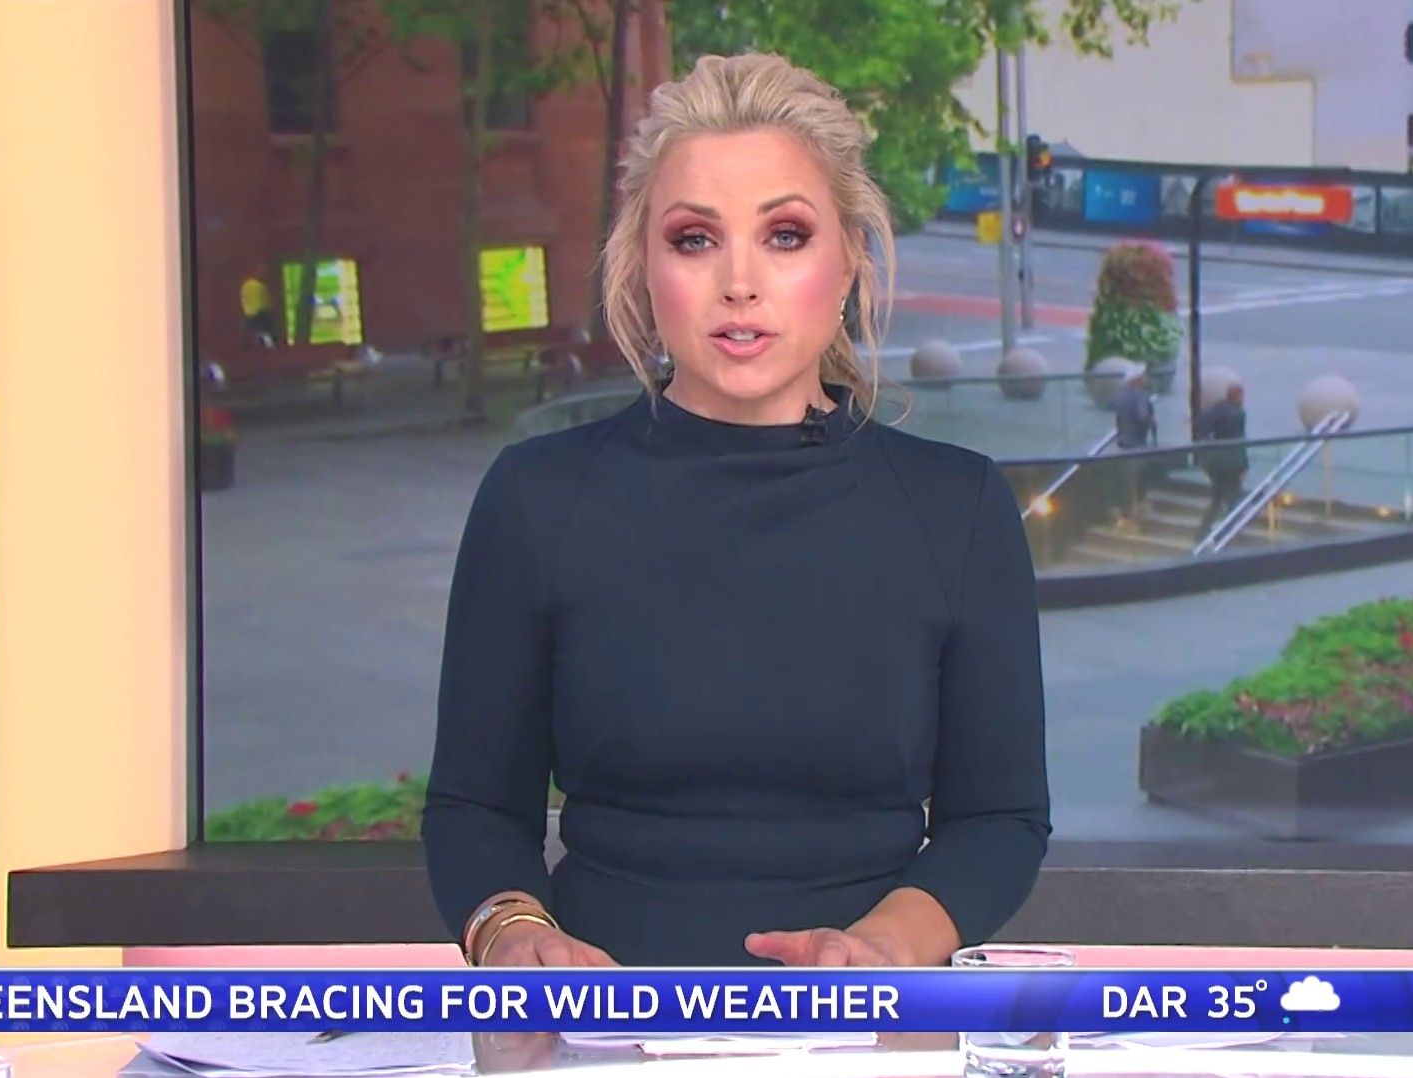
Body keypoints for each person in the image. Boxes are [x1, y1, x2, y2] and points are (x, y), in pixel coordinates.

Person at [421, 53, 1050, 969]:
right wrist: (515, 936)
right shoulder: (536, 499)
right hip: (604, 1022)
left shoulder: (959, 508)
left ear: (849, 262)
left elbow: (999, 820)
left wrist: (880, 949)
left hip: (862, 1021)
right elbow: (474, 809)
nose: (739, 282)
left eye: (785, 235)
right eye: (694, 239)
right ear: (642, 269)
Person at [1194, 383, 1249, 539]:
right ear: (1238, 396)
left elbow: (1201, 426)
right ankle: (1229, 531)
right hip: (1231, 462)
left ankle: (1204, 531)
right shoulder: (1238, 414)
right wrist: (1244, 464)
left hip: (1216, 463)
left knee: (1217, 498)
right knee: (1233, 496)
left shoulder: (1217, 409)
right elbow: (1239, 441)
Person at [1107, 366, 1156, 521]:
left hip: (1123, 442)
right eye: (1143, 376)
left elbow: (1111, 405)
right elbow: (1143, 417)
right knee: (1139, 475)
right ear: (1137, 380)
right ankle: (1137, 506)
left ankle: (1125, 508)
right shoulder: (1141, 396)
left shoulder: (1120, 396)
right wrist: (1150, 420)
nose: (1146, 379)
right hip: (1137, 443)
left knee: (1125, 478)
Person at [240, 263, 277, 347]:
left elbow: (244, 299)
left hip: (249, 315)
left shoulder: (247, 285)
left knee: (258, 334)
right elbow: (266, 302)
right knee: (266, 334)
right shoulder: (259, 286)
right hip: (260, 315)